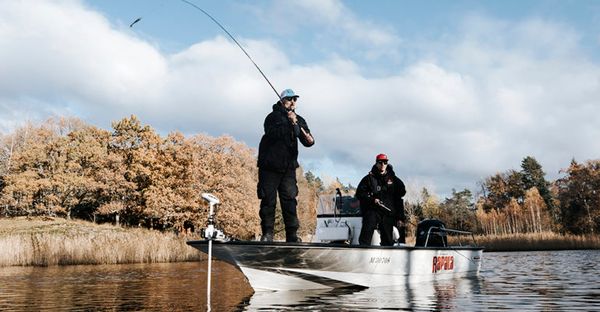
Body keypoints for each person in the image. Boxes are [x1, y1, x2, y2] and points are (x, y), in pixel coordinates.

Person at [257, 89, 315, 242]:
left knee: (290, 200)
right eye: (290, 99)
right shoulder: (272, 117)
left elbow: (309, 141)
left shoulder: (298, 119)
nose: (293, 102)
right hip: (269, 166)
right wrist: (289, 122)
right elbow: (272, 134)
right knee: (268, 200)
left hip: (288, 167)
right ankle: (268, 233)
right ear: (282, 100)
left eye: (295, 99)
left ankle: (292, 235)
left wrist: (297, 125)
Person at [355, 153, 406, 246]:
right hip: (373, 209)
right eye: (380, 162)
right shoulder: (368, 179)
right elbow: (359, 194)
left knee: (387, 236)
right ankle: (363, 249)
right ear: (376, 163)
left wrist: (400, 217)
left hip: (388, 211)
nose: (383, 164)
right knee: (368, 224)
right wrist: (371, 199)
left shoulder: (393, 179)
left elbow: (401, 195)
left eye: (385, 162)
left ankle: (387, 254)